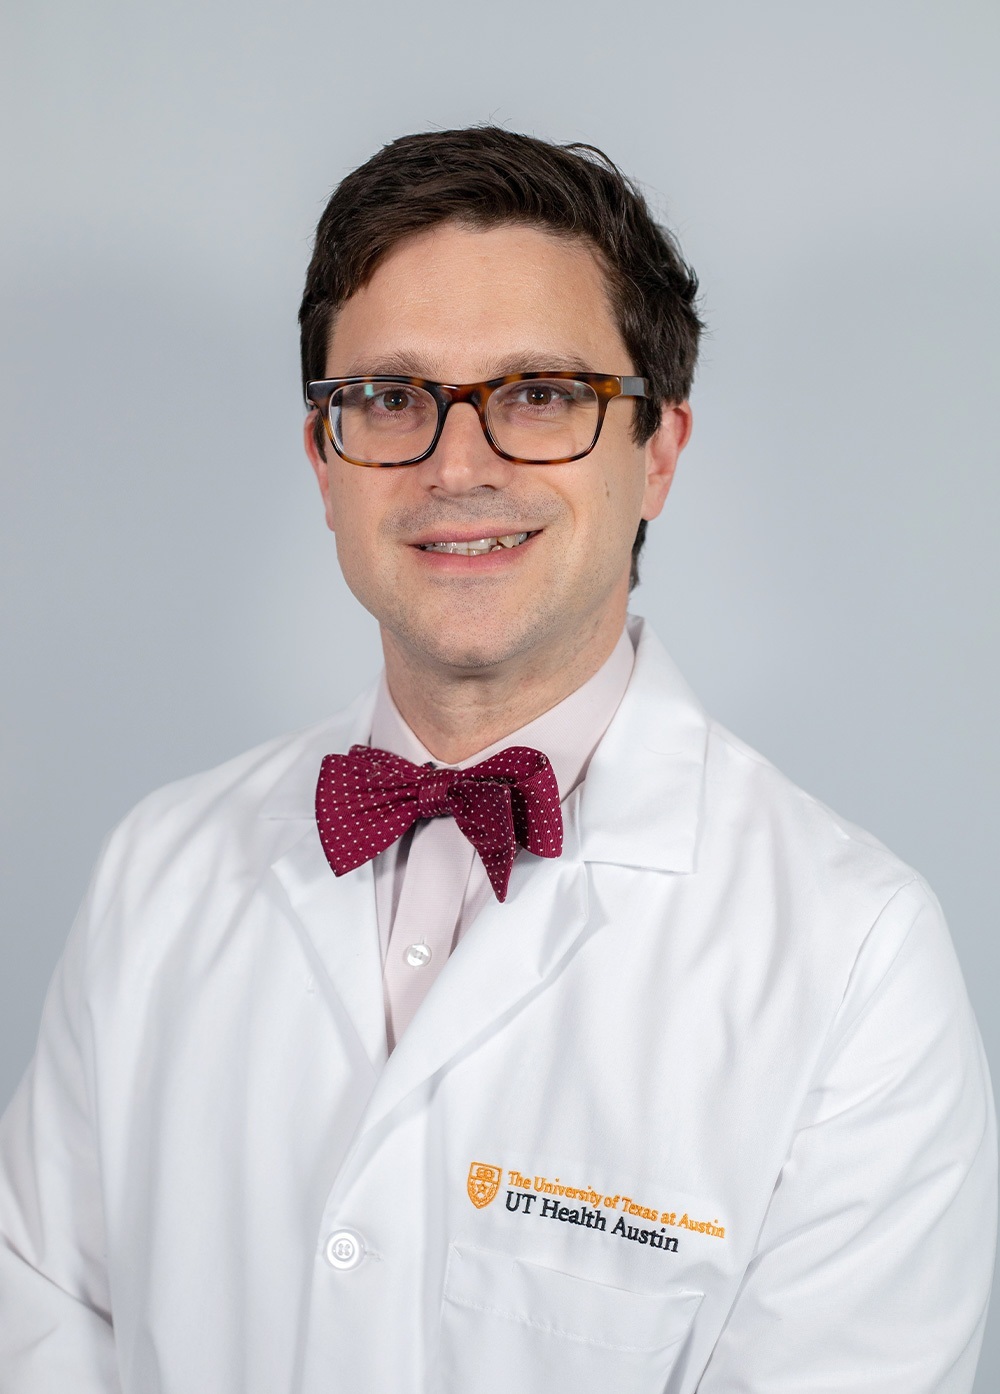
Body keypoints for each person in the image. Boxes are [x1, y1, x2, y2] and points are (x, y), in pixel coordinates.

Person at [0, 127, 995, 1393]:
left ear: (661, 450)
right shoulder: (159, 868)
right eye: (391, 398)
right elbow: (36, 1324)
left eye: (537, 394)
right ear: (323, 461)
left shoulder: (857, 959)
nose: (455, 466)